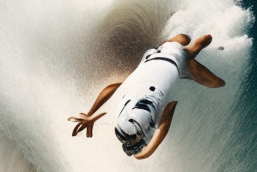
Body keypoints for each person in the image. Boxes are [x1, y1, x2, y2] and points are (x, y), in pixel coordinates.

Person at [68, 34, 225, 159]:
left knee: (217, 82)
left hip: (174, 60)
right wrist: (90, 114)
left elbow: (171, 108)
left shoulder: (149, 113)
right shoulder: (124, 108)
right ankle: (169, 44)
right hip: (150, 57)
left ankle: (195, 50)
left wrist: (151, 149)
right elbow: (112, 88)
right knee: (181, 39)